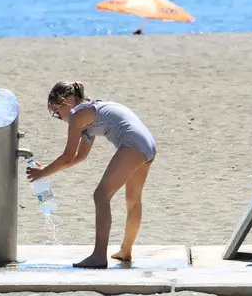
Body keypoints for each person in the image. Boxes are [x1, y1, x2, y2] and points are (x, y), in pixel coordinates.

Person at [27, 81, 157, 268]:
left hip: (133, 145)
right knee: (133, 200)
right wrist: (46, 169)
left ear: (64, 102)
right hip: (148, 144)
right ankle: (125, 251)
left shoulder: (76, 115)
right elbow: (80, 157)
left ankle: (98, 256)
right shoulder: (89, 115)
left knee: (101, 196)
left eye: (56, 114)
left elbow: (67, 156)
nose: (59, 118)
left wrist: (42, 173)